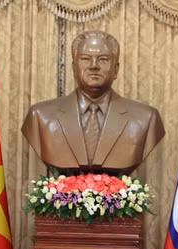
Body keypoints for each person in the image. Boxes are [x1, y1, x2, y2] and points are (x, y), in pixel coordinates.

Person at [22, 30, 165, 174]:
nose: (94, 66)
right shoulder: (40, 116)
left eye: (103, 59)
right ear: (73, 68)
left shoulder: (146, 118)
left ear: (116, 69)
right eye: (85, 59)